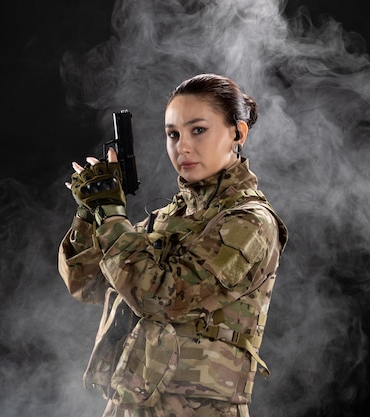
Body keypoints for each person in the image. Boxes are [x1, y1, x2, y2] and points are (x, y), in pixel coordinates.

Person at [58, 73, 288, 417]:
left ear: (238, 133)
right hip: (133, 405)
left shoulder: (249, 222)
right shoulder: (169, 217)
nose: (182, 146)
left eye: (198, 130)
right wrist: (92, 212)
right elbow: (87, 283)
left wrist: (111, 215)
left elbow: (161, 299)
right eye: (172, 134)